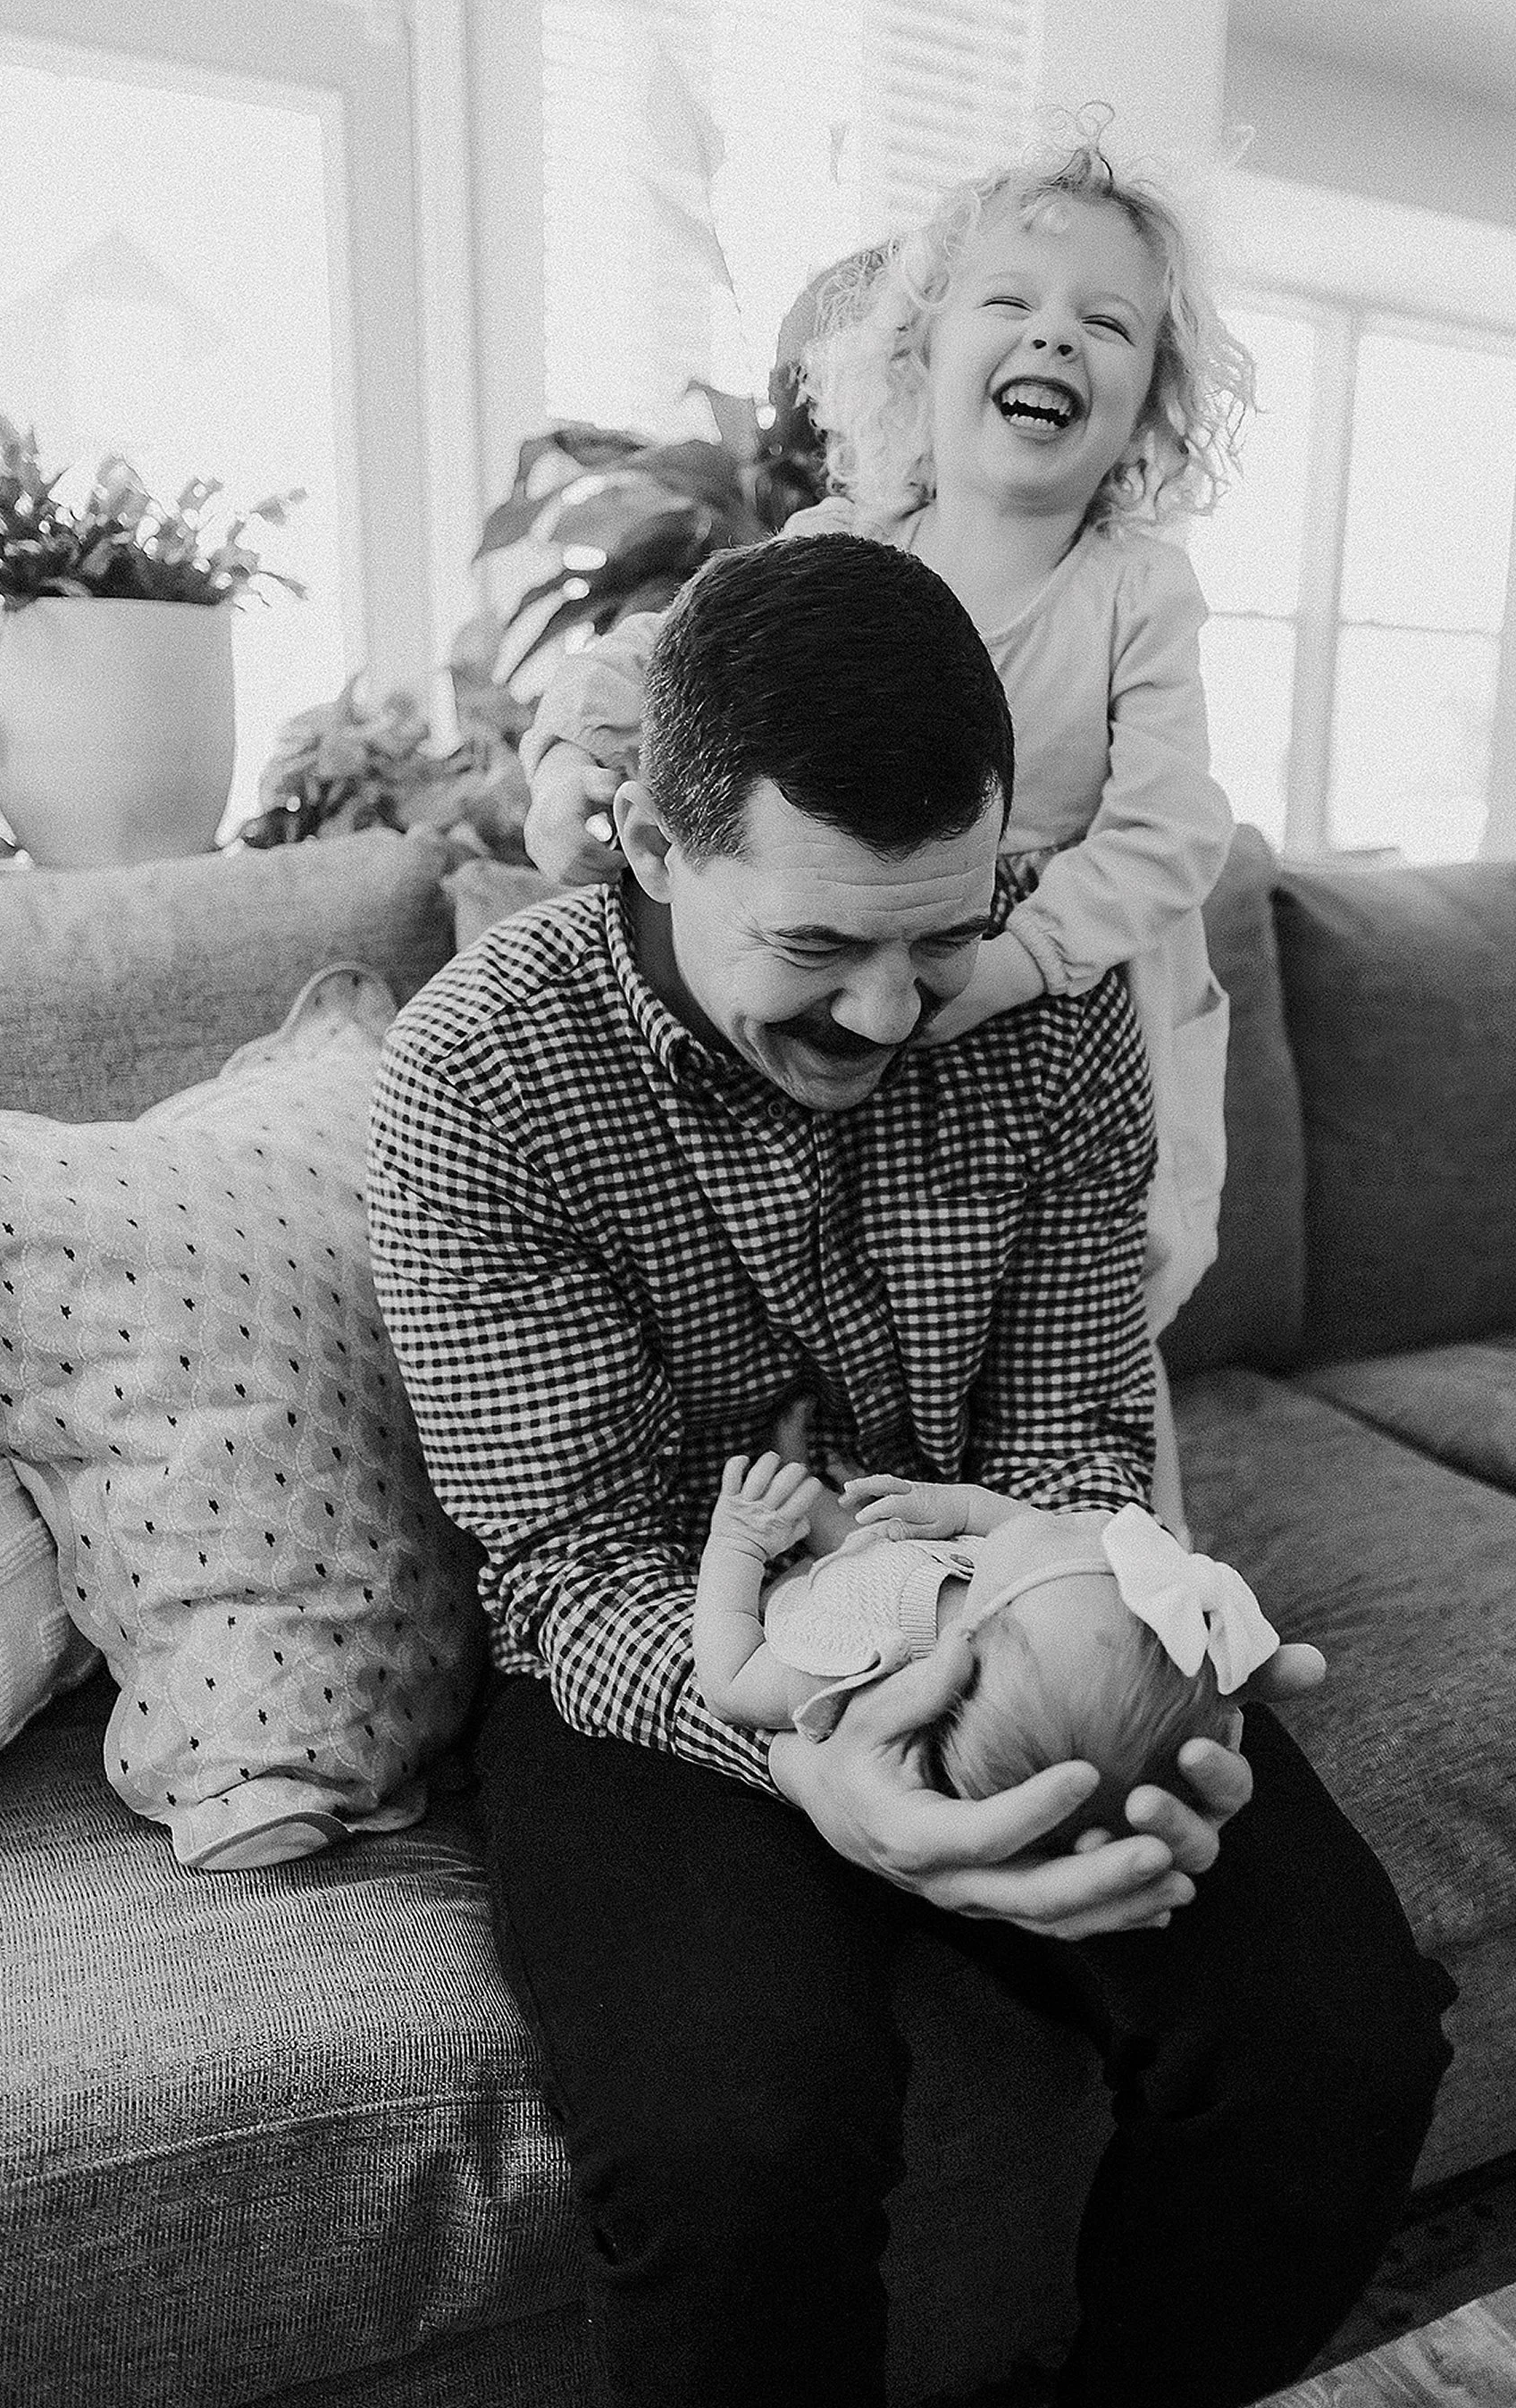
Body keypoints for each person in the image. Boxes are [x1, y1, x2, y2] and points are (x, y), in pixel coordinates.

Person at [368, 530, 1454, 2408]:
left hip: (1004, 1588)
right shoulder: (476, 1082)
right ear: (650, 843)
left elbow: (1068, 1433)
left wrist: (1110, 1605)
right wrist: (810, 1751)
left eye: (938, 933)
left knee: (1337, 2041)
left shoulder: (1045, 1009)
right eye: (818, 948)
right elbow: (567, 1558)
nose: (890, 1010)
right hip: (669, 1655)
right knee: (734, 2148)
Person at [518, 122, 1251, 1531]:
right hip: (890, 965)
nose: (1057, 339)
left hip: (1080, 990)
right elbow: (661, 663)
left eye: (1106, 323)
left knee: (1101, 1303)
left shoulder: (1135, 590)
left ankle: (1120, 1563)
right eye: (1013, 304)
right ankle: (902, 1552)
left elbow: (1170, 834)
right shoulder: (847, 546)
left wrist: (1011, 959)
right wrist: (567, 756)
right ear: (918, 354)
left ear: (1149, 399)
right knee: (925, 1271)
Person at [695, 1454, 1287, 1848]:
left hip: (803, 1588)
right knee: (847, 1509)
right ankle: (797, 1464)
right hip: (882, 1556)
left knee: (806, 1519)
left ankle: (776, 1496)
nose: (1071, 1524)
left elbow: (729, 1677)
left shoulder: (856, 1667)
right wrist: (964, 1507)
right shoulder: (1023, 1610)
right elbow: (1024, 1533)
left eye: (1057, 1541)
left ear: (984, 1629)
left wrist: (738, 1543)